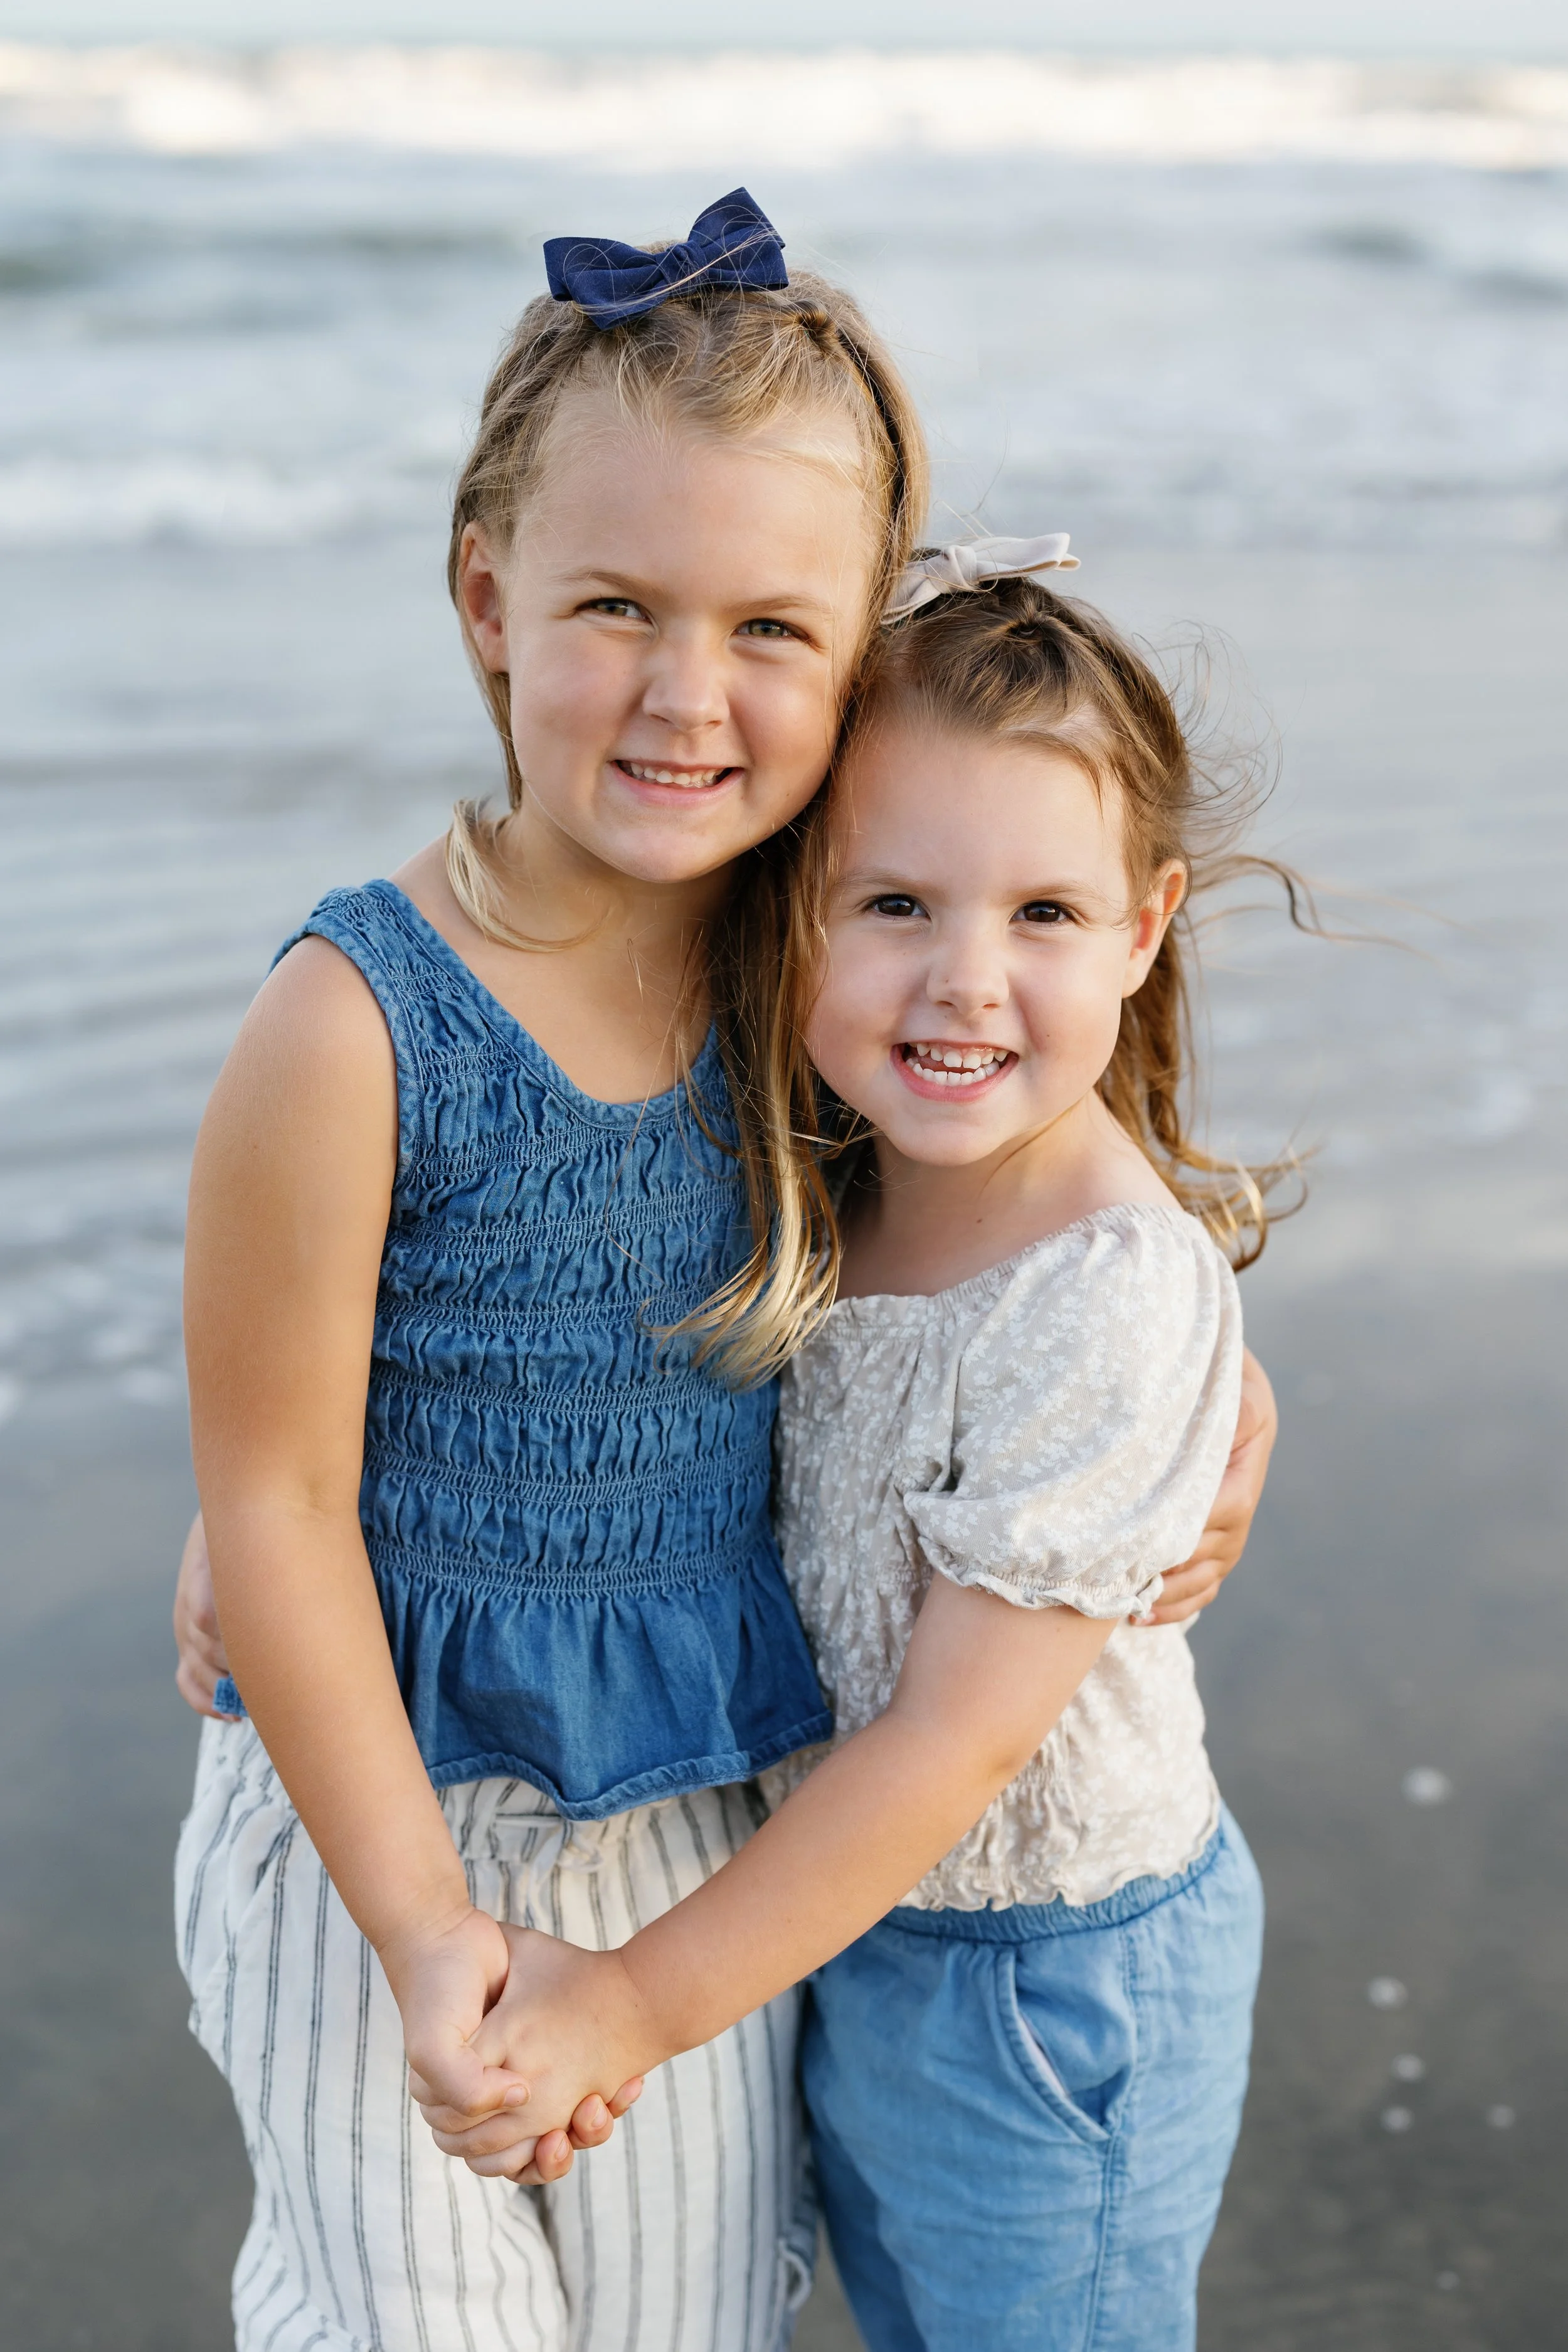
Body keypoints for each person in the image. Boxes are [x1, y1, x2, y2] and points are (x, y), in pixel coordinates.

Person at [172, 186, 1275, 2352]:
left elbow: (1024, 1196)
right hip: (377, 1816)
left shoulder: (808, 957)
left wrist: (1224, 1402)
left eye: (773, 630)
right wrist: (414, 1923)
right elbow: (283, 1478)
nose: (690, 695)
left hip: (704, 1798)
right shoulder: (360, 1020)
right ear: (486, 597)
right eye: (613, 605)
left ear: (859, 652)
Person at [414, 551, 1288, 2352]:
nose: (962, 980)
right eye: (891, 899)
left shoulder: (1101, 1289)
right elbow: (508, 1351)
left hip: (1046, 1971)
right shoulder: (819, 1159)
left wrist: (635, 2004)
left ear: (1145, 924)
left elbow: (959, 1738)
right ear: (788, 906)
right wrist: (278, 1507)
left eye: (1045, 912)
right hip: (859, 1910)